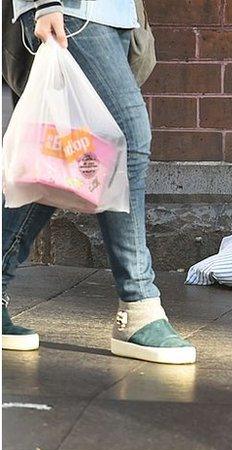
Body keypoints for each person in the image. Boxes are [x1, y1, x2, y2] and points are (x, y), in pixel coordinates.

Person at [2, 1, 195, 364]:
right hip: (71, 11)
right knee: (128, 137)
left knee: (56, 160)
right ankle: (138, 306)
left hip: (114, 14)